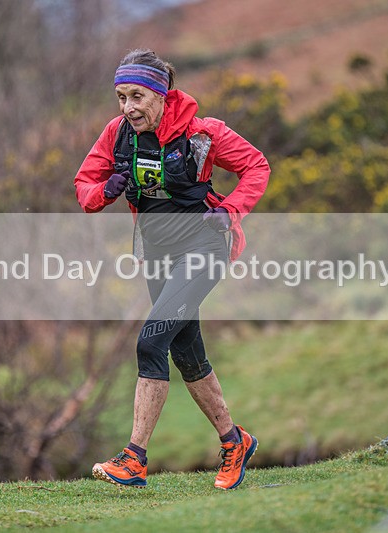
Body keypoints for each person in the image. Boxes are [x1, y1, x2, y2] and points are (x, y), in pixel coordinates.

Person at [74, 49, 269, 490]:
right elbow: (85, 185)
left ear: (162, 96)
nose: (128, 108)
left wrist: (231, 210)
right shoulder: (117, 134)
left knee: (151, 340)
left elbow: (256, 166)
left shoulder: (203, 132)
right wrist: (105, 190)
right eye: (121, 97)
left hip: (203, 247)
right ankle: (235, 441)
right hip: (157, 254)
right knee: (186, 352)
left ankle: (134, 458)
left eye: (137, 97)